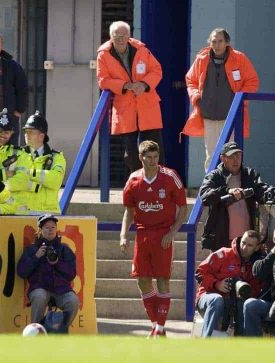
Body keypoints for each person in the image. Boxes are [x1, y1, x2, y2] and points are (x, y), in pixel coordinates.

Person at [120, 140, 187, 337]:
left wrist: (173, 232)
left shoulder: (170, 177)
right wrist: (124, 235)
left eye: (156, 157)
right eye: (148, 157)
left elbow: (183, 208)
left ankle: (160, 328)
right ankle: (157, 325)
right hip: (142, 235)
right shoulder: (133, 180)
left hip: (163, 235)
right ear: (141, 157)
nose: (153, 161)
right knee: (142, 281)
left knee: (163, 281)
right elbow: (129, 212)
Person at [182, 28, 259, 171]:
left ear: (227, 42)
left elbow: (252, 81)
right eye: (214, 41)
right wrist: (197, 99)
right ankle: (210, 189)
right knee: (211, 155)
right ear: (209, 43)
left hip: (232, 117)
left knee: (232, 155)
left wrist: (240, 101)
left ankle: (231, 188)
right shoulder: (202, 59)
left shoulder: (239, 58)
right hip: (209, 116)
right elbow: (190, 80)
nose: (217, 45)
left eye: (220, 41)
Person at [96, 21, 164, 173]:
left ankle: (157, 184)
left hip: (147, 106)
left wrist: (144, 84)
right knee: (131, 155)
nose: (120, 39)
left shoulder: (141, 50)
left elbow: (157, 70)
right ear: (110, 37)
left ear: (129, 36)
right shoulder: (103, 55)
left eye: (123, 35)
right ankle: (137, 184)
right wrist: (124, 85)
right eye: (116, 36)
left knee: (154, 150)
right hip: (125, 108)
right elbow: (103, 80)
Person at [199, 141, 269, 251]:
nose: (236, 160)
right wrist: (228, 191)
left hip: (247, 240)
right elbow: (205, 196)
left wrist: (273, 193)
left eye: (238, 156)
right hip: (222, 240)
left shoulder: (250, 174)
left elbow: (262, 190)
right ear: (223, 158)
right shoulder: (215, 176)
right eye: (231, 156)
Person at [17, 214, 80, 333]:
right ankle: (36, 332)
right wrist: (36, 257)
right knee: (40, 296)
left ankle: (60, 330)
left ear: (56, 229)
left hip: (61, 289)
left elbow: (71, 274)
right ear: (40, 230)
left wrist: (57, 262)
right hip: (39, 287)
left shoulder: (64, 249)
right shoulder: (32, 249)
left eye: (53, 228)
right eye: (46, 228)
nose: (50, 230)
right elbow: (21, 272)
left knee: (73, 300)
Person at [194, 230, 264, 337]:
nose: (244, 247)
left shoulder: (256, 265)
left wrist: (244, 293)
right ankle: (206, 342)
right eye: (243, 242)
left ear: (257, 247)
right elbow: (199, 273)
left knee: (248, 305)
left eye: (250, 245)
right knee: (217, 300)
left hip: (235, 304)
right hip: (209, 298)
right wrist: (217, 284)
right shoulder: (223, 254)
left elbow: (256, 289)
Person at [22, 111, 66, 214]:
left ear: (41, 136)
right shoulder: (18, 155)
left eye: (31, 132)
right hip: (23, 213)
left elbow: (55, 181)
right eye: (26, 132)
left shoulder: (57, 157)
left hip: (48, 215)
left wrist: (29, 173)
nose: (27, 135)